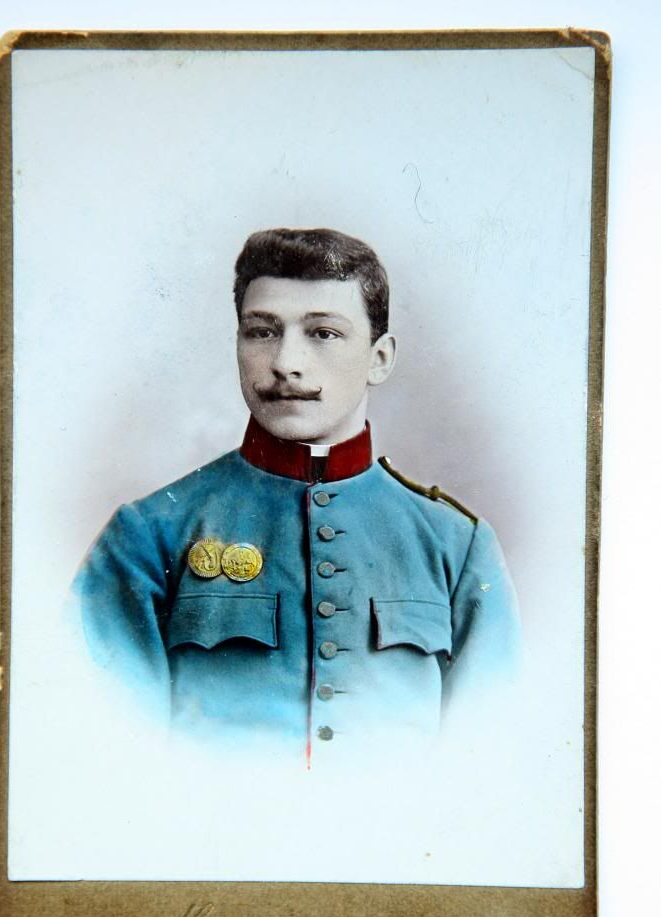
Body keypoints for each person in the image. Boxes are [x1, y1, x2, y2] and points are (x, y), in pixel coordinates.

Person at [73, 227, 520, 765]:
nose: (286, 362)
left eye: (323, 333)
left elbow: (488, 765)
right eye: (262, 332)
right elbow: (106, 757)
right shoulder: (148, 536)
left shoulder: (457, 546)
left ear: (379, 358)